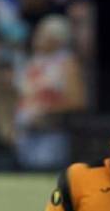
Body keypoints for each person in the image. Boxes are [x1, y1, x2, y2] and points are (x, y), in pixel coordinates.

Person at [15, 14, 86, 170]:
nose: (36, 37)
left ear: (57, 39)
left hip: (50, 134)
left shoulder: (67, 64)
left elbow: (78, 101)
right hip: (25, 133)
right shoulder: (32, 61)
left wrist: (47, 111)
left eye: (42, 34)